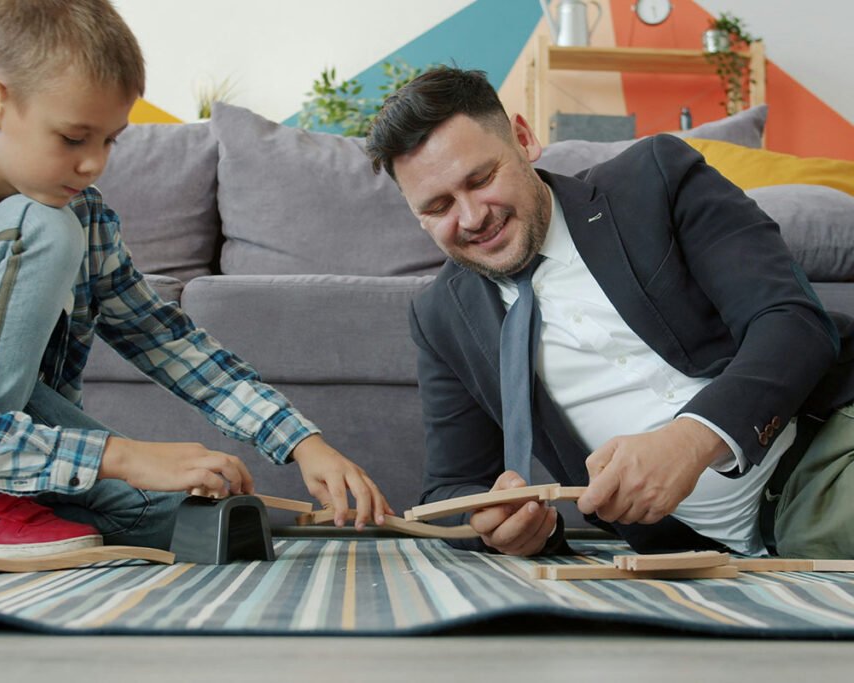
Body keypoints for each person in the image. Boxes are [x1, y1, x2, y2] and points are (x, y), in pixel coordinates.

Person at [0, 0, 391, 560]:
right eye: (74, 139)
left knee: (208, 523)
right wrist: (121, 455)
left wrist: (302, 442)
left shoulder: (84, 210)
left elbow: (164, 339)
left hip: (1, 446)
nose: (95, 164)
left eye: (110, 140)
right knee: (43, 227)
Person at [365, 66, 854, 559]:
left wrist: (691, 440)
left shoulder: (655, 179)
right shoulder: (440, 317)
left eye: (482, 178)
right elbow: (450, 489)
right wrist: (498, 524)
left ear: (523, 139)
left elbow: (792, 322)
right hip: (702, 559)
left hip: (826, 450)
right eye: (438, 206)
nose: (472, 218)